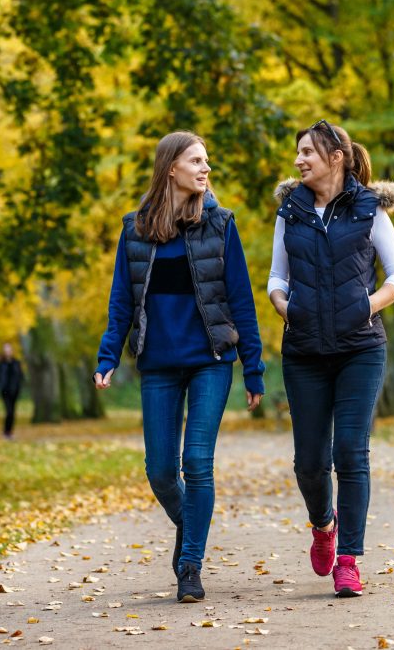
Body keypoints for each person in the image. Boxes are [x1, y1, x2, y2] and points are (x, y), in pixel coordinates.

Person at [93, 131, 265, 603]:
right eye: (197, 161)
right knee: (161, 471)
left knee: (197, 463)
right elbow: (121, 302)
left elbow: (241, 301)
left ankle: (190, 565)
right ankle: (192, 526)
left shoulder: (220, 224)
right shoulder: (134, 230)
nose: (206, 169)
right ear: (171, 168)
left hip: (210, 361)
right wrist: (108, 355)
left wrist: (253, 367)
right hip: (158, 364)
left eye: (207, 161)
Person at [268, 119, 394, 598]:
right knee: (309, 462)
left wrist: (367, 306)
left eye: (307, 151)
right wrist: (287, 307)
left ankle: (348, 559)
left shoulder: (369, 210)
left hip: (360, 348)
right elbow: (276, 278)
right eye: (297, 152)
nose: (298, 160)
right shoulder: (290, 211)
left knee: (351, 451)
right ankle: (322, 524)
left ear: (336, 157)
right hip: (304, 351)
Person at [0, 342, 24, 439]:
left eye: (9, 349)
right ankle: (6, 432)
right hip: (5, 391)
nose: (7, 351)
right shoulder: (1, 364)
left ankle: (10, 432)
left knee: (13, 412)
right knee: (9, 411)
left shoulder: (16, 363)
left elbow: (20, 376)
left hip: (14, 391)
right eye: (6, 349)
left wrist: (18, 386)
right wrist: (0, 386)